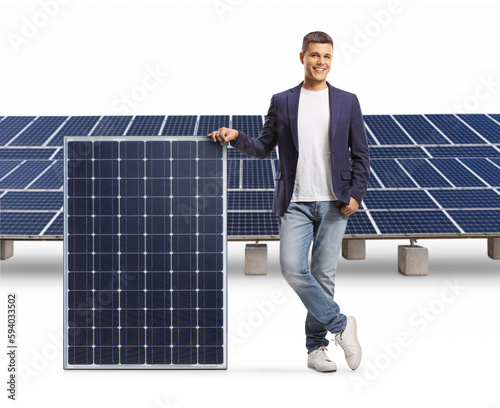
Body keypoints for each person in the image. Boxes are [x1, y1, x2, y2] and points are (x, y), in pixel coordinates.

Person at [208, 31, 370, 372]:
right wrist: (237, 136)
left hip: (335, 203)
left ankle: (316, 350)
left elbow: (361, 154)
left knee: (323, 277)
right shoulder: (282, 101)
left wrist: (356, 194)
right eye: (314, 56)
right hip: (294, 201)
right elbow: (265, 146)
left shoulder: (348, 101)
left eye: (326, 56)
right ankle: (342, 326)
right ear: (302, 57)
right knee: (293, 270)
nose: (320, 62)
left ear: (332, 59)